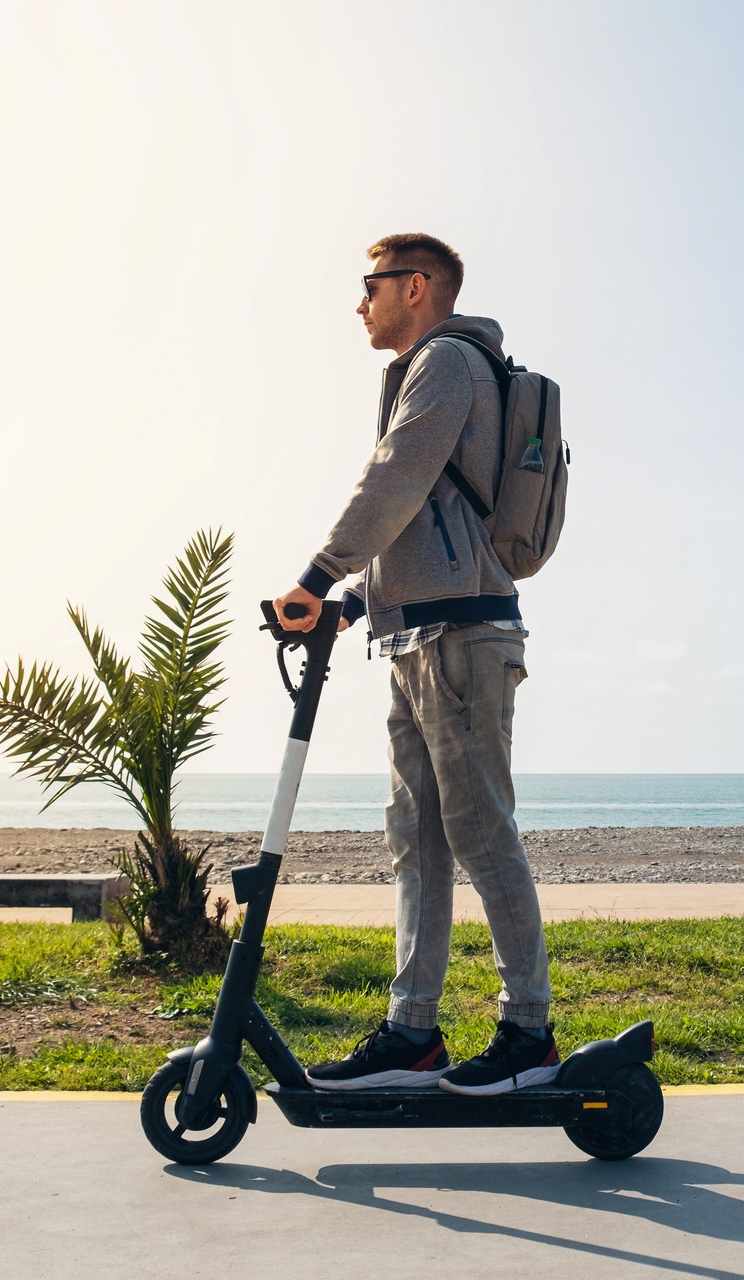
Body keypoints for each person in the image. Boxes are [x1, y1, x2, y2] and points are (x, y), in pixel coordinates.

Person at [272, 233, 556, 1097]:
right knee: (420, 844)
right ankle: (412, 1033)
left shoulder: (447, 361)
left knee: (480, 833)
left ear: (418, 286)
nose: (361, 304)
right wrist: (358, 601)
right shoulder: (436, 368)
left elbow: (396, 478)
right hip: (416, 633)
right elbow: (427, 519)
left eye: (371, 286)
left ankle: (529, 1035)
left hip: (464, 638)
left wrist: (318, 575)